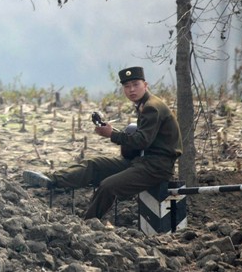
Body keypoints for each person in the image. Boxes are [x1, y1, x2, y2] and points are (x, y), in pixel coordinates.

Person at [22, 66, 183, 220]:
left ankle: (89, 223)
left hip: (156, 167)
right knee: (94, 164)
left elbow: (142, 141)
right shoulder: (144, 105)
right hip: (142, 161)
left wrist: (112, 134)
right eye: (127, 86)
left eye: (136, 85)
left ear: (145, 85)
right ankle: (52, 180)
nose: (132, 89)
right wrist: (113, 132)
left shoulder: (151, 107)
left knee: (108, 186)